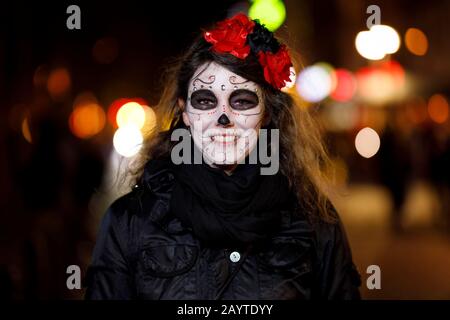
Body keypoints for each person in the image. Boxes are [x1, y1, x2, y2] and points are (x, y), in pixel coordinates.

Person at [84, 13, 361, 300]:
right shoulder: (130, 221)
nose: (224, 118)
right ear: (185, 113)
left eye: (242, 101)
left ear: (267, 114)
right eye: (205, 101)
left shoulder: (314, 221)